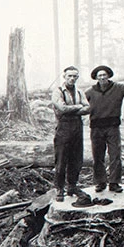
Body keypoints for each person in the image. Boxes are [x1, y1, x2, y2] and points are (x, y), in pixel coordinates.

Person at [85, 65, 124, 193]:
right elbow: (80, 103)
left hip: (112, 127)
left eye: (104, 75)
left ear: (108, 75)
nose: (102, 77)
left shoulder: (118, 88)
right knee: (97, 156)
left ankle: (114, 183)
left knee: (115, 155)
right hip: (96, 128)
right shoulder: (89, 92)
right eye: (100, 76)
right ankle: (100, 182)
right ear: (96, 78)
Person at [50, 66, 91, 203]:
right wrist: (78, 107)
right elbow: (61, 108)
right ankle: (59, 188)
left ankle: (72, 186)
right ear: (64, 77)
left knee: (76, 159)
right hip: (63, 127)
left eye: (75, 76)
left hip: (77, 127)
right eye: (69, 76)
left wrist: (74, 110)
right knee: (61, 160)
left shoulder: (80, 91)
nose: (72, 78)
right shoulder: (58, 91)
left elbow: (88, 108)